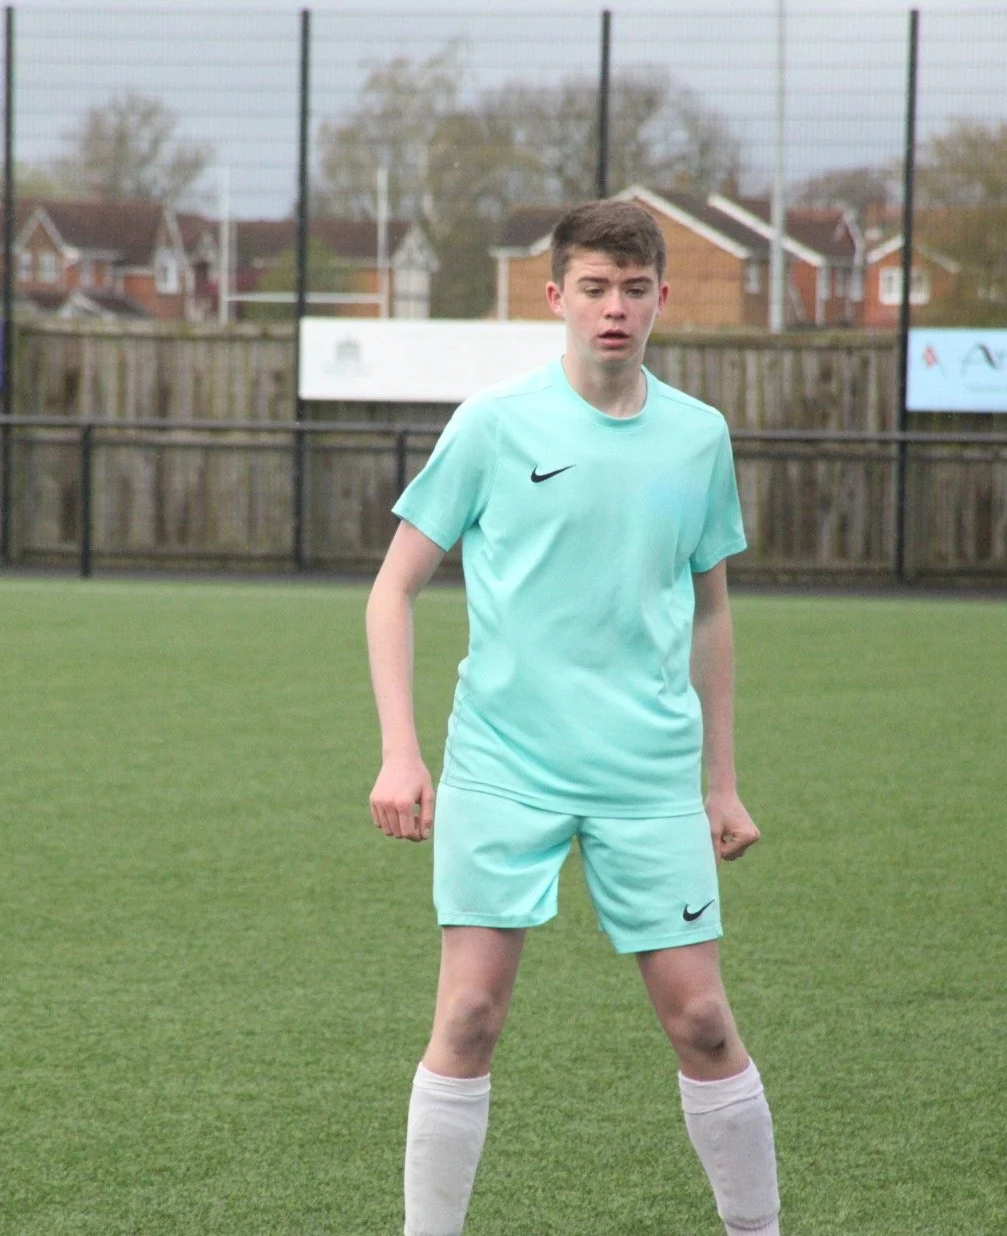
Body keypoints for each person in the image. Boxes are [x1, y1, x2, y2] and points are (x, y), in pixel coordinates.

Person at [366, 199, 780, 1236]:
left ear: (661, 298)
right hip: (504, 766)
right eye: (594, 289)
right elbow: (391, 589)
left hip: (647, 774)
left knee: (703, 1020)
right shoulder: (494, 423)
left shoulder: (697, 437)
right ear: (555, 296)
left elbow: (712, 614)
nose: (614, 309)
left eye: (633, 289)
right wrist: (400, 753)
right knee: (468, 1014)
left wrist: (721, 784)